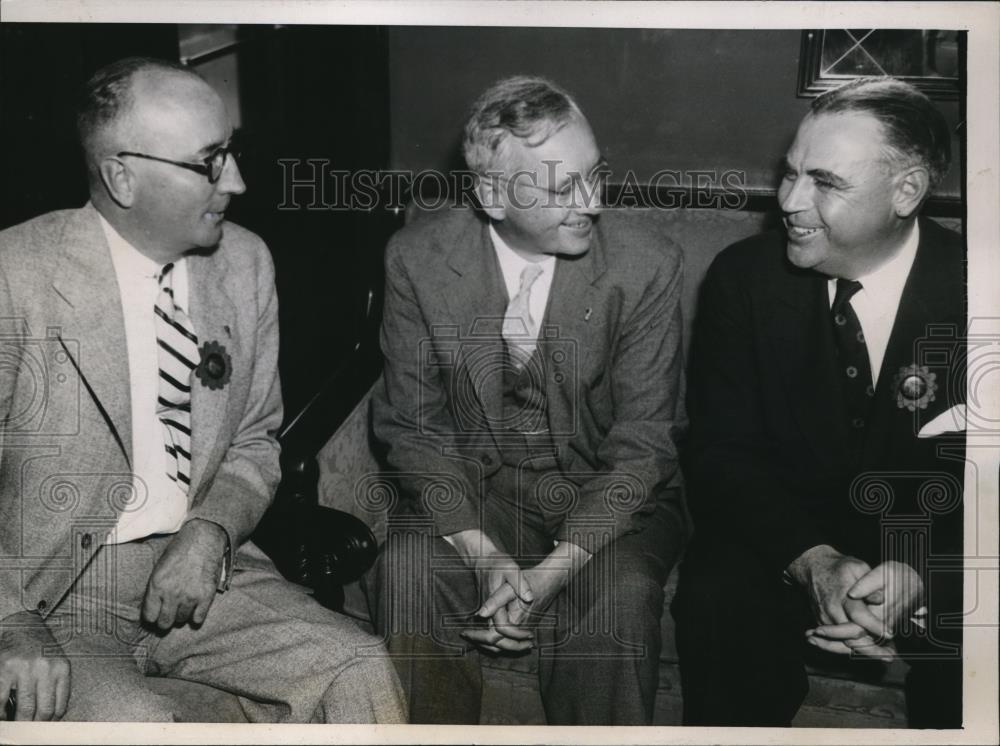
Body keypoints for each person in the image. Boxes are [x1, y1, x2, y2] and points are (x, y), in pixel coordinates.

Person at [0, 56, 406, 723]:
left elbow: (253, 437)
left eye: (232, 153)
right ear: (122, 177)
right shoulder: (16, 276)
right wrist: (11, 621)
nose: (238, 182)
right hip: (58, 592)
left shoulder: (244, 262)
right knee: (146, 728)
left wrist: (212, 530)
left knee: (359, 668)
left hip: (210, 572)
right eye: (209, 161)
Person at [369, 75, 689, 725]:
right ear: (491, 193)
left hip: (608, 492)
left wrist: (550, 574)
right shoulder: (417, 258)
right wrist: (485, 557)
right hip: (475, 490)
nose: (592, 202)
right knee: (406, 572)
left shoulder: (646, 263)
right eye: (562, 187)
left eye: (595, 174)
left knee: (621, 595)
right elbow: (414, 429)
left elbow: (643, 447)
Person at [673, 77, 965, 728]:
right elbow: (722, 453)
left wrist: (917, 578)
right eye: (791, 174)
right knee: (715, 595)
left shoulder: (982, 293)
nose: (789, 202)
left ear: (907, 191)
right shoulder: (743, 279)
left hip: (933, 544)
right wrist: (812, 560)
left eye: (826, 183)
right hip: (784, 536)